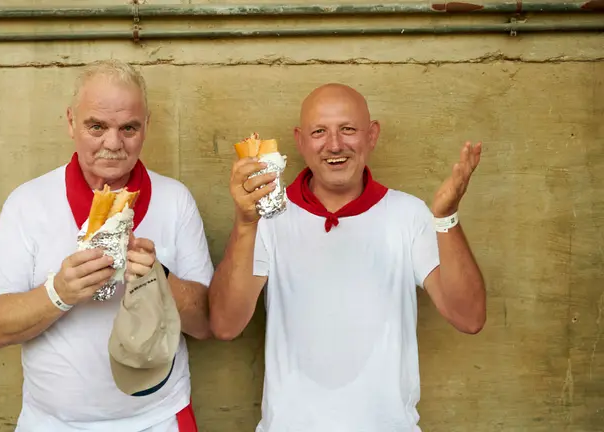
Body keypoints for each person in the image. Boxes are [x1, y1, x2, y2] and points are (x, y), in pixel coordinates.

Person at [208, 83, 486, 431]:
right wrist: (246, 223)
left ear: (372, 136)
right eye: (319, 131)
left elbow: (470, 317)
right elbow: (224, 324)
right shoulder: (268, 218)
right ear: (300, 141)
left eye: (348, 129)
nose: (335, 145)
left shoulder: (407, 214)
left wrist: (446, 217)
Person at [0, 59, 214, 432]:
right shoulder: (28, 202)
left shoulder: (175, 200)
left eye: (129, 128)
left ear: (146, 126)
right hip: (52, 423)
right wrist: (59, 292)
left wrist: (158, 278)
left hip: (158, 420)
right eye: (96, 126)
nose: (113, 144)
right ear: (71, 122)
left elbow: (206, 323)